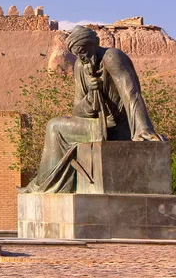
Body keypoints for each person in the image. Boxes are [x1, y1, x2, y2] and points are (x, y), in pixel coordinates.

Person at [21, 25, 163, 193]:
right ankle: (48, 184)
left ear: (93, 44)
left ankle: (45, 185)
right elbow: (77, 110)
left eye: (83, 50)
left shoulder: (111, 57)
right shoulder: (81, 67)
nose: (82, 56)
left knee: (54, 126)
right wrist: (90, 96)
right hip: (96, 124)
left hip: (115, 128)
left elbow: (131, 92)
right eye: (77, 54)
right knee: (56, 124)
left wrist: (143, 129)